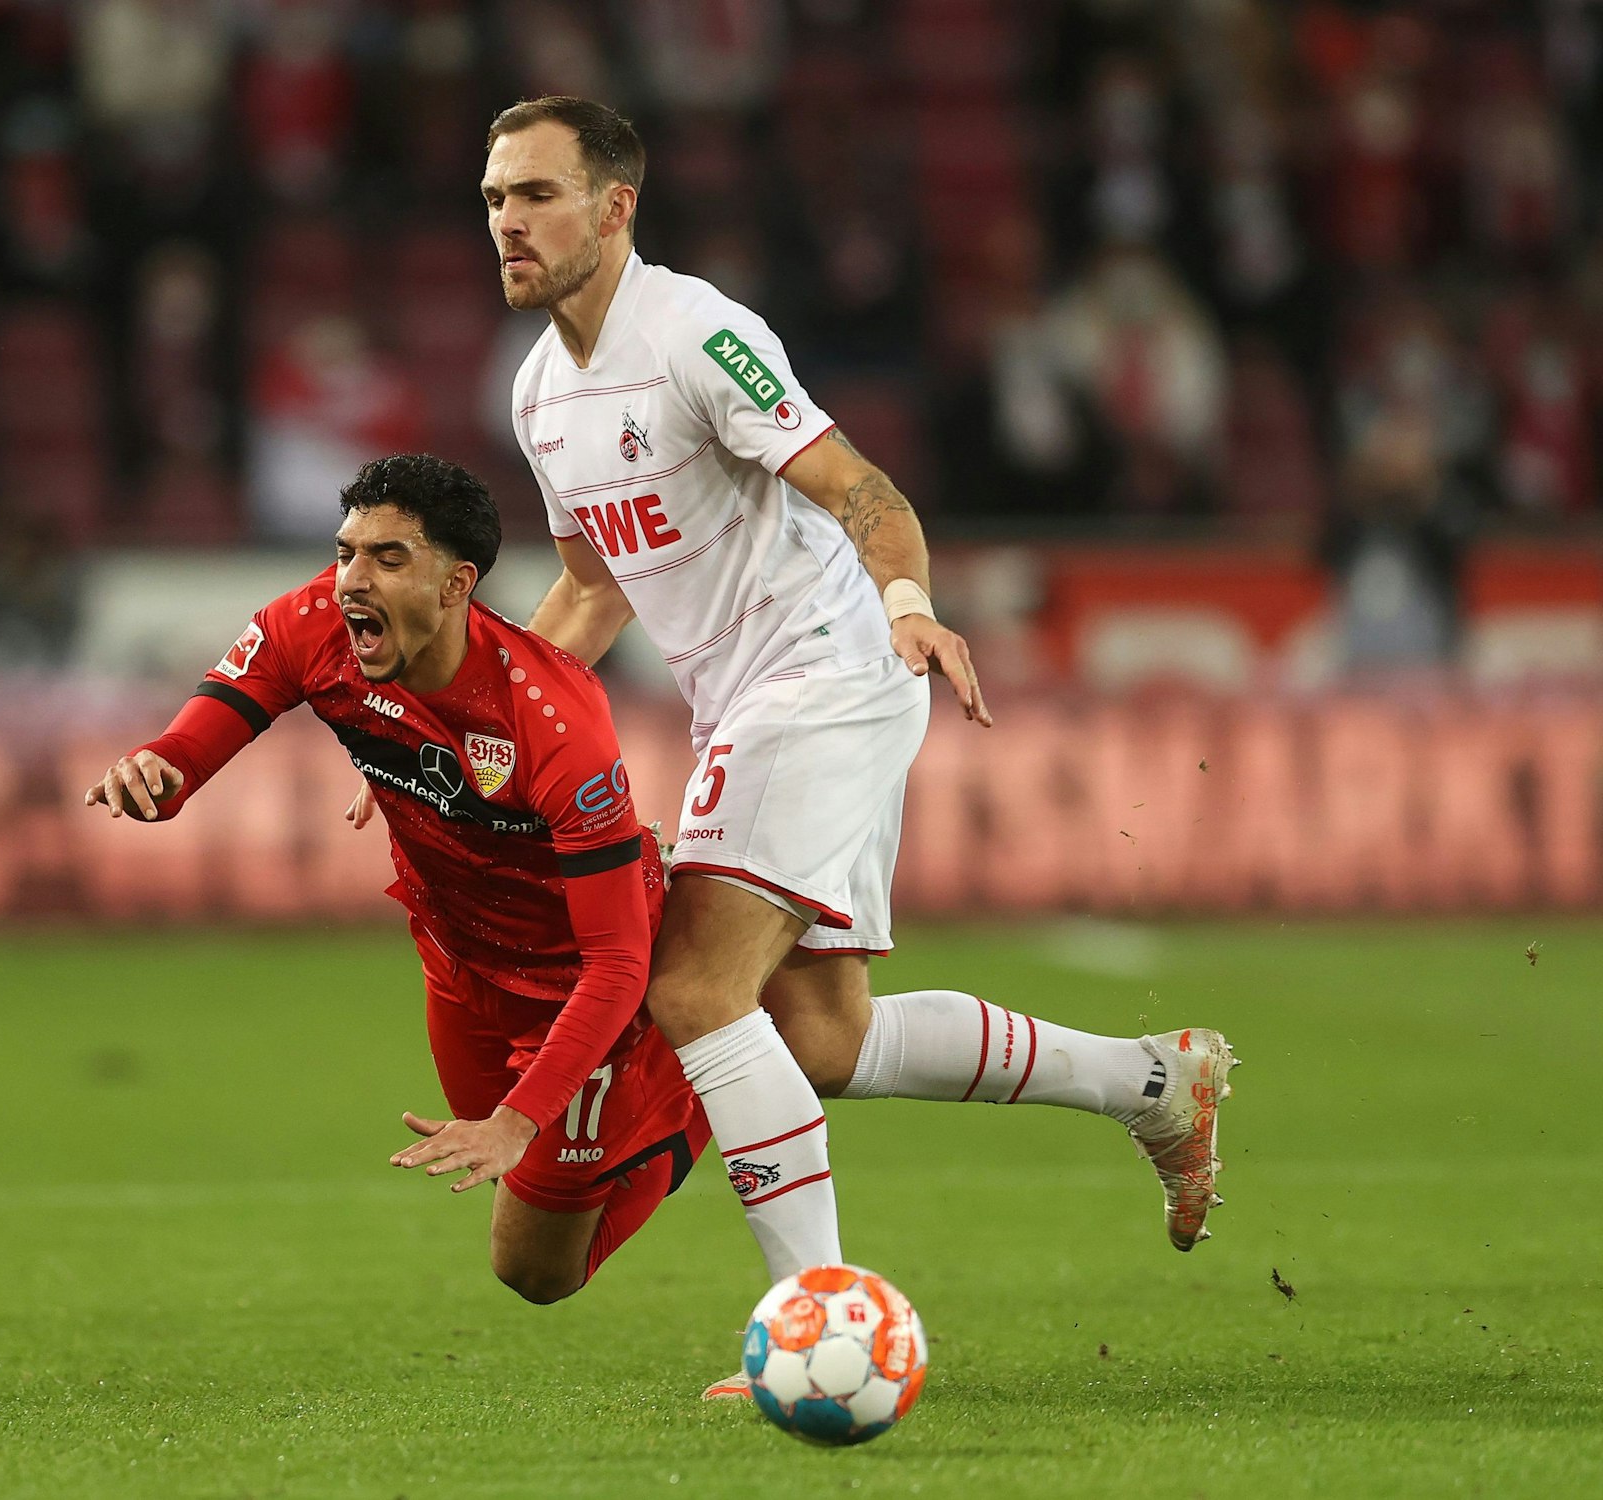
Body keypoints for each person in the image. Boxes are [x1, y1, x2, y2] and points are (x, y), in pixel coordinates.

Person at [474, 95, 1236, 1392]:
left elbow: (864, 490)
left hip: (828, 670)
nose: (509, 221)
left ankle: (814, 1317)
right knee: (820, 1038)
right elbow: (594, 588)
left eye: (537, 194)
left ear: (616, 208)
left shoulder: (697, 336)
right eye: (495, 198)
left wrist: (910, 606)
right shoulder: (541, 392)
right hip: (750, 700)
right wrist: (485, 733)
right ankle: (1155, 1084)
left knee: (694, 987)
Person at [86, 453, 707, 1304]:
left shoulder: (558, 725)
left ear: (456, 584)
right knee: (508, 1203)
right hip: (457, 962)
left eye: (387, 558)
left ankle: (679, 1097)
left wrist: (520, 1119)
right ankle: (592, 1135)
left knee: (533, 1271)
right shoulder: (309, 625)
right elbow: (187, 755)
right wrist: (152, 772)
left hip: (580, 983)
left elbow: (617, 961)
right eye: (346, 551)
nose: (349, 581)